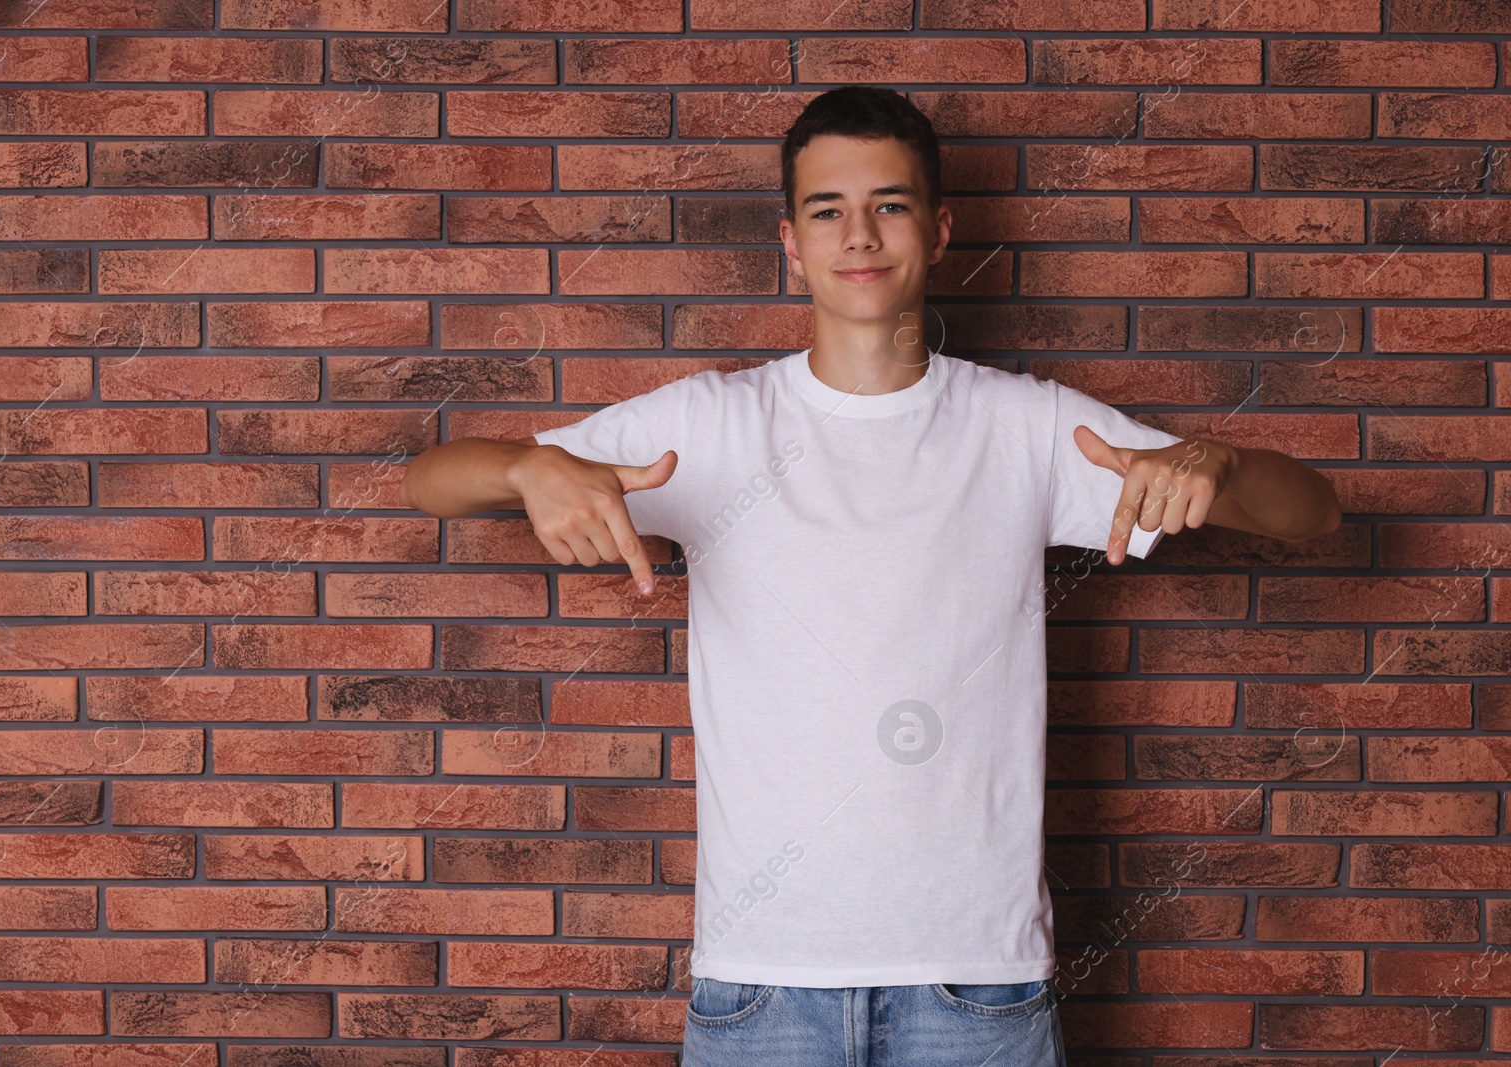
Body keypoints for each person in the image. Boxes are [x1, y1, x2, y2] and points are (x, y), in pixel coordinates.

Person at [400, 85, 1342, 1067]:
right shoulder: (708, 427)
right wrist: (523, 465)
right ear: (790, 242)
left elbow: (1314, 512)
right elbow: (432, 480)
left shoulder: (1026, 426)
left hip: (976, 987)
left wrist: (1217, 464)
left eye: (888, 205)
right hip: (759, 986)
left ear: (936, 232)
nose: (859, 233)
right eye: (827, 209)